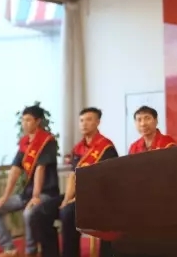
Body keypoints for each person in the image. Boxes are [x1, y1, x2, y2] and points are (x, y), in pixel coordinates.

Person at [31, 107, 118, 257]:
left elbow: (108, 180)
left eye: (89, 120)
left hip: (99, 198)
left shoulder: (106, 148)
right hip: (78, 196)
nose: (84, 124)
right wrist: (66, 199)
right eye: (81, 120)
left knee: (68, 213)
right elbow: (73, 175)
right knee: (40, 211)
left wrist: (76, 199)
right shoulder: (78, 148)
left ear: (98, 122)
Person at [0, 104, 60, 257]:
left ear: (38, 121)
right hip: (26, 194)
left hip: (46, 194)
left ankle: (31, 252)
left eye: (28, 120)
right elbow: (15, 170)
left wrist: (36, 196)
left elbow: (40, 169)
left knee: (29, 213)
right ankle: (9, 249)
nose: (24, 124)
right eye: (23, 120)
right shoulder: (25, 142)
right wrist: (5, 197)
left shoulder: (48, 141)